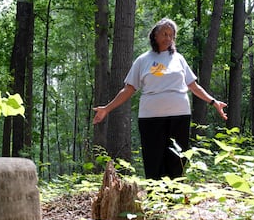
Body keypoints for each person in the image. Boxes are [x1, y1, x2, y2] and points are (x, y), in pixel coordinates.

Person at [93, 17, 227, 180]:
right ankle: (155, 197)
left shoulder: (179, 59)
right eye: (164, 34)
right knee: (153, 158)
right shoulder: (143, 60)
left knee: (177, 157)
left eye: (171, 35)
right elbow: (128, 89)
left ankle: (175, 197)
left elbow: (194, 86)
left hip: (179, 115)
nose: (168, 38)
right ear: (154, 35)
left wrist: (213, 102)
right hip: (150, 117)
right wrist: (107, 108)